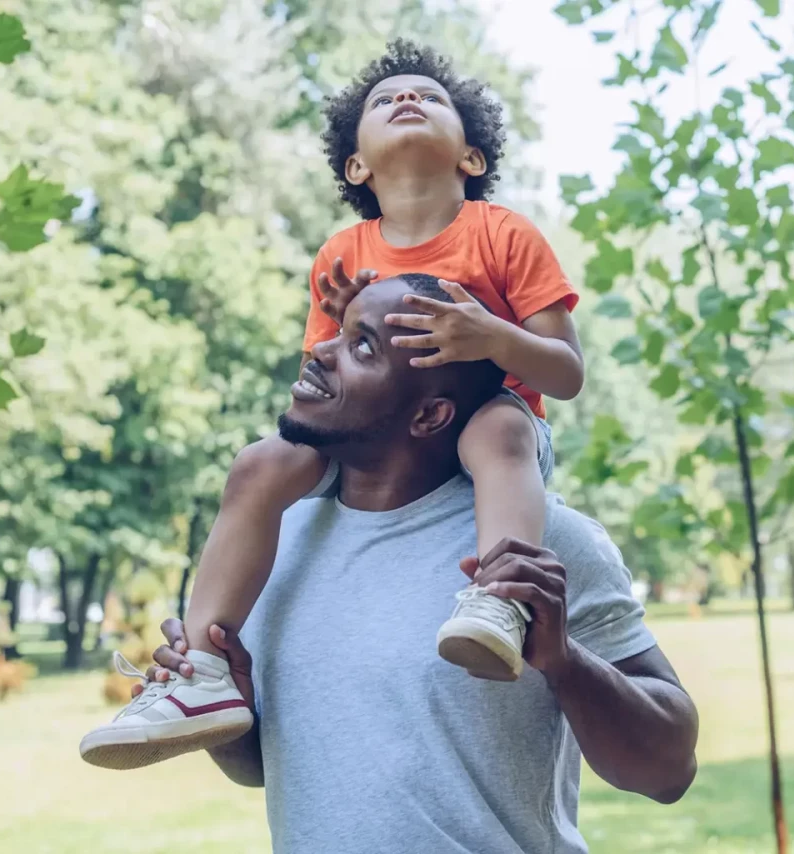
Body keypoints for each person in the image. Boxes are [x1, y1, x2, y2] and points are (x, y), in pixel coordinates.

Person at [79, 40, 584, 768]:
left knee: (500, 432)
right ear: (357, 166)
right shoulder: (341, 253)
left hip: (489, 415)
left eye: (429, 97)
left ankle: (498, 601)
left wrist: (490, 334)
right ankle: (203, 672)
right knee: (258, 465)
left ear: (471, 157)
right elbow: (322, 388)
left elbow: (564, 374)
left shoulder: (502, 233)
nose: (406, 100)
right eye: (385, 101)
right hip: (374, 440)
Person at [94, 277, 698, 853]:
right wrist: (233, 708)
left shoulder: (533, 543)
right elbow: (273, 772)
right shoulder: (272, 540)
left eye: (362, 346)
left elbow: (669, 770)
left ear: (429, 415)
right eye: (337, 330)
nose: (321, 351)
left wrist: (565, 661)